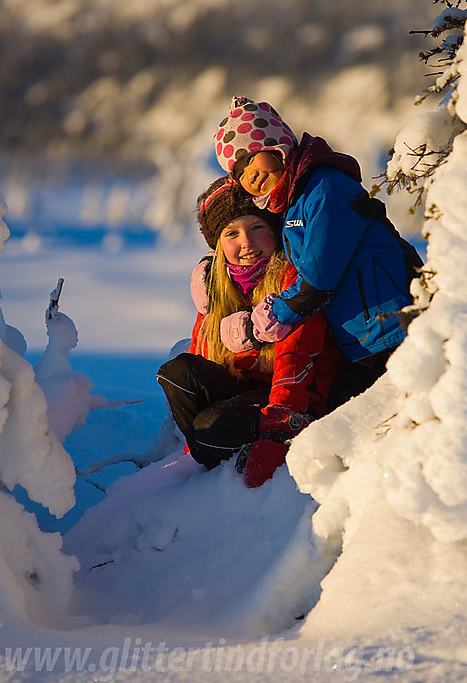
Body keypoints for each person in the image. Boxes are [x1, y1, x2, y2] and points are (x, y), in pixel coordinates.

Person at [213, 96, 423, 406]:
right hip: (363, 341)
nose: (250, 175)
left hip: (393, 328)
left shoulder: (325, 188)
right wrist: (210, 269)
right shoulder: (294, 201)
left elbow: (318, 278)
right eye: (239, 172)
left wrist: (263, 324)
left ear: (278, 147)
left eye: (252, 158)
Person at [157, 178, 343, 488]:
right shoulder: (216, 288)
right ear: (218, 246)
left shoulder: (294, 280)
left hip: (296, 398)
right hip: (247, 393)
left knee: (209, 427)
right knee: (177, 373)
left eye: (257, 227)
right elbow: (203, 355)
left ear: (274, 231)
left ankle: (216, 447)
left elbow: (295, 355)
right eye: (232, 233)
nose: (247, 242)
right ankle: (207, 450)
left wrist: (280, 425)